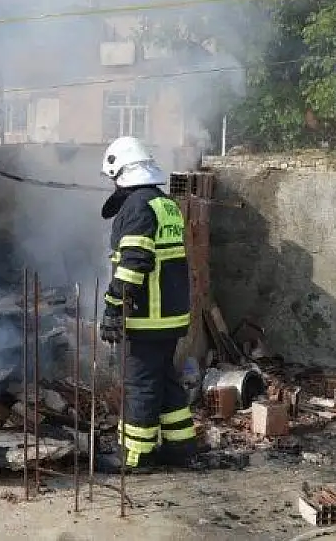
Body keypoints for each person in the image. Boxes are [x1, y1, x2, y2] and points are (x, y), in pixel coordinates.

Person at [94, 136, 197, 473]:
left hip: (147, 316)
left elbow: (133, 263)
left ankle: (135, 457)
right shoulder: (164, 203)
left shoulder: (137, 208)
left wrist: (113, 308)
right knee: (164, 380)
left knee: (139, 384)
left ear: (121, 172)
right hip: (170, 316)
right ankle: (180, 447)